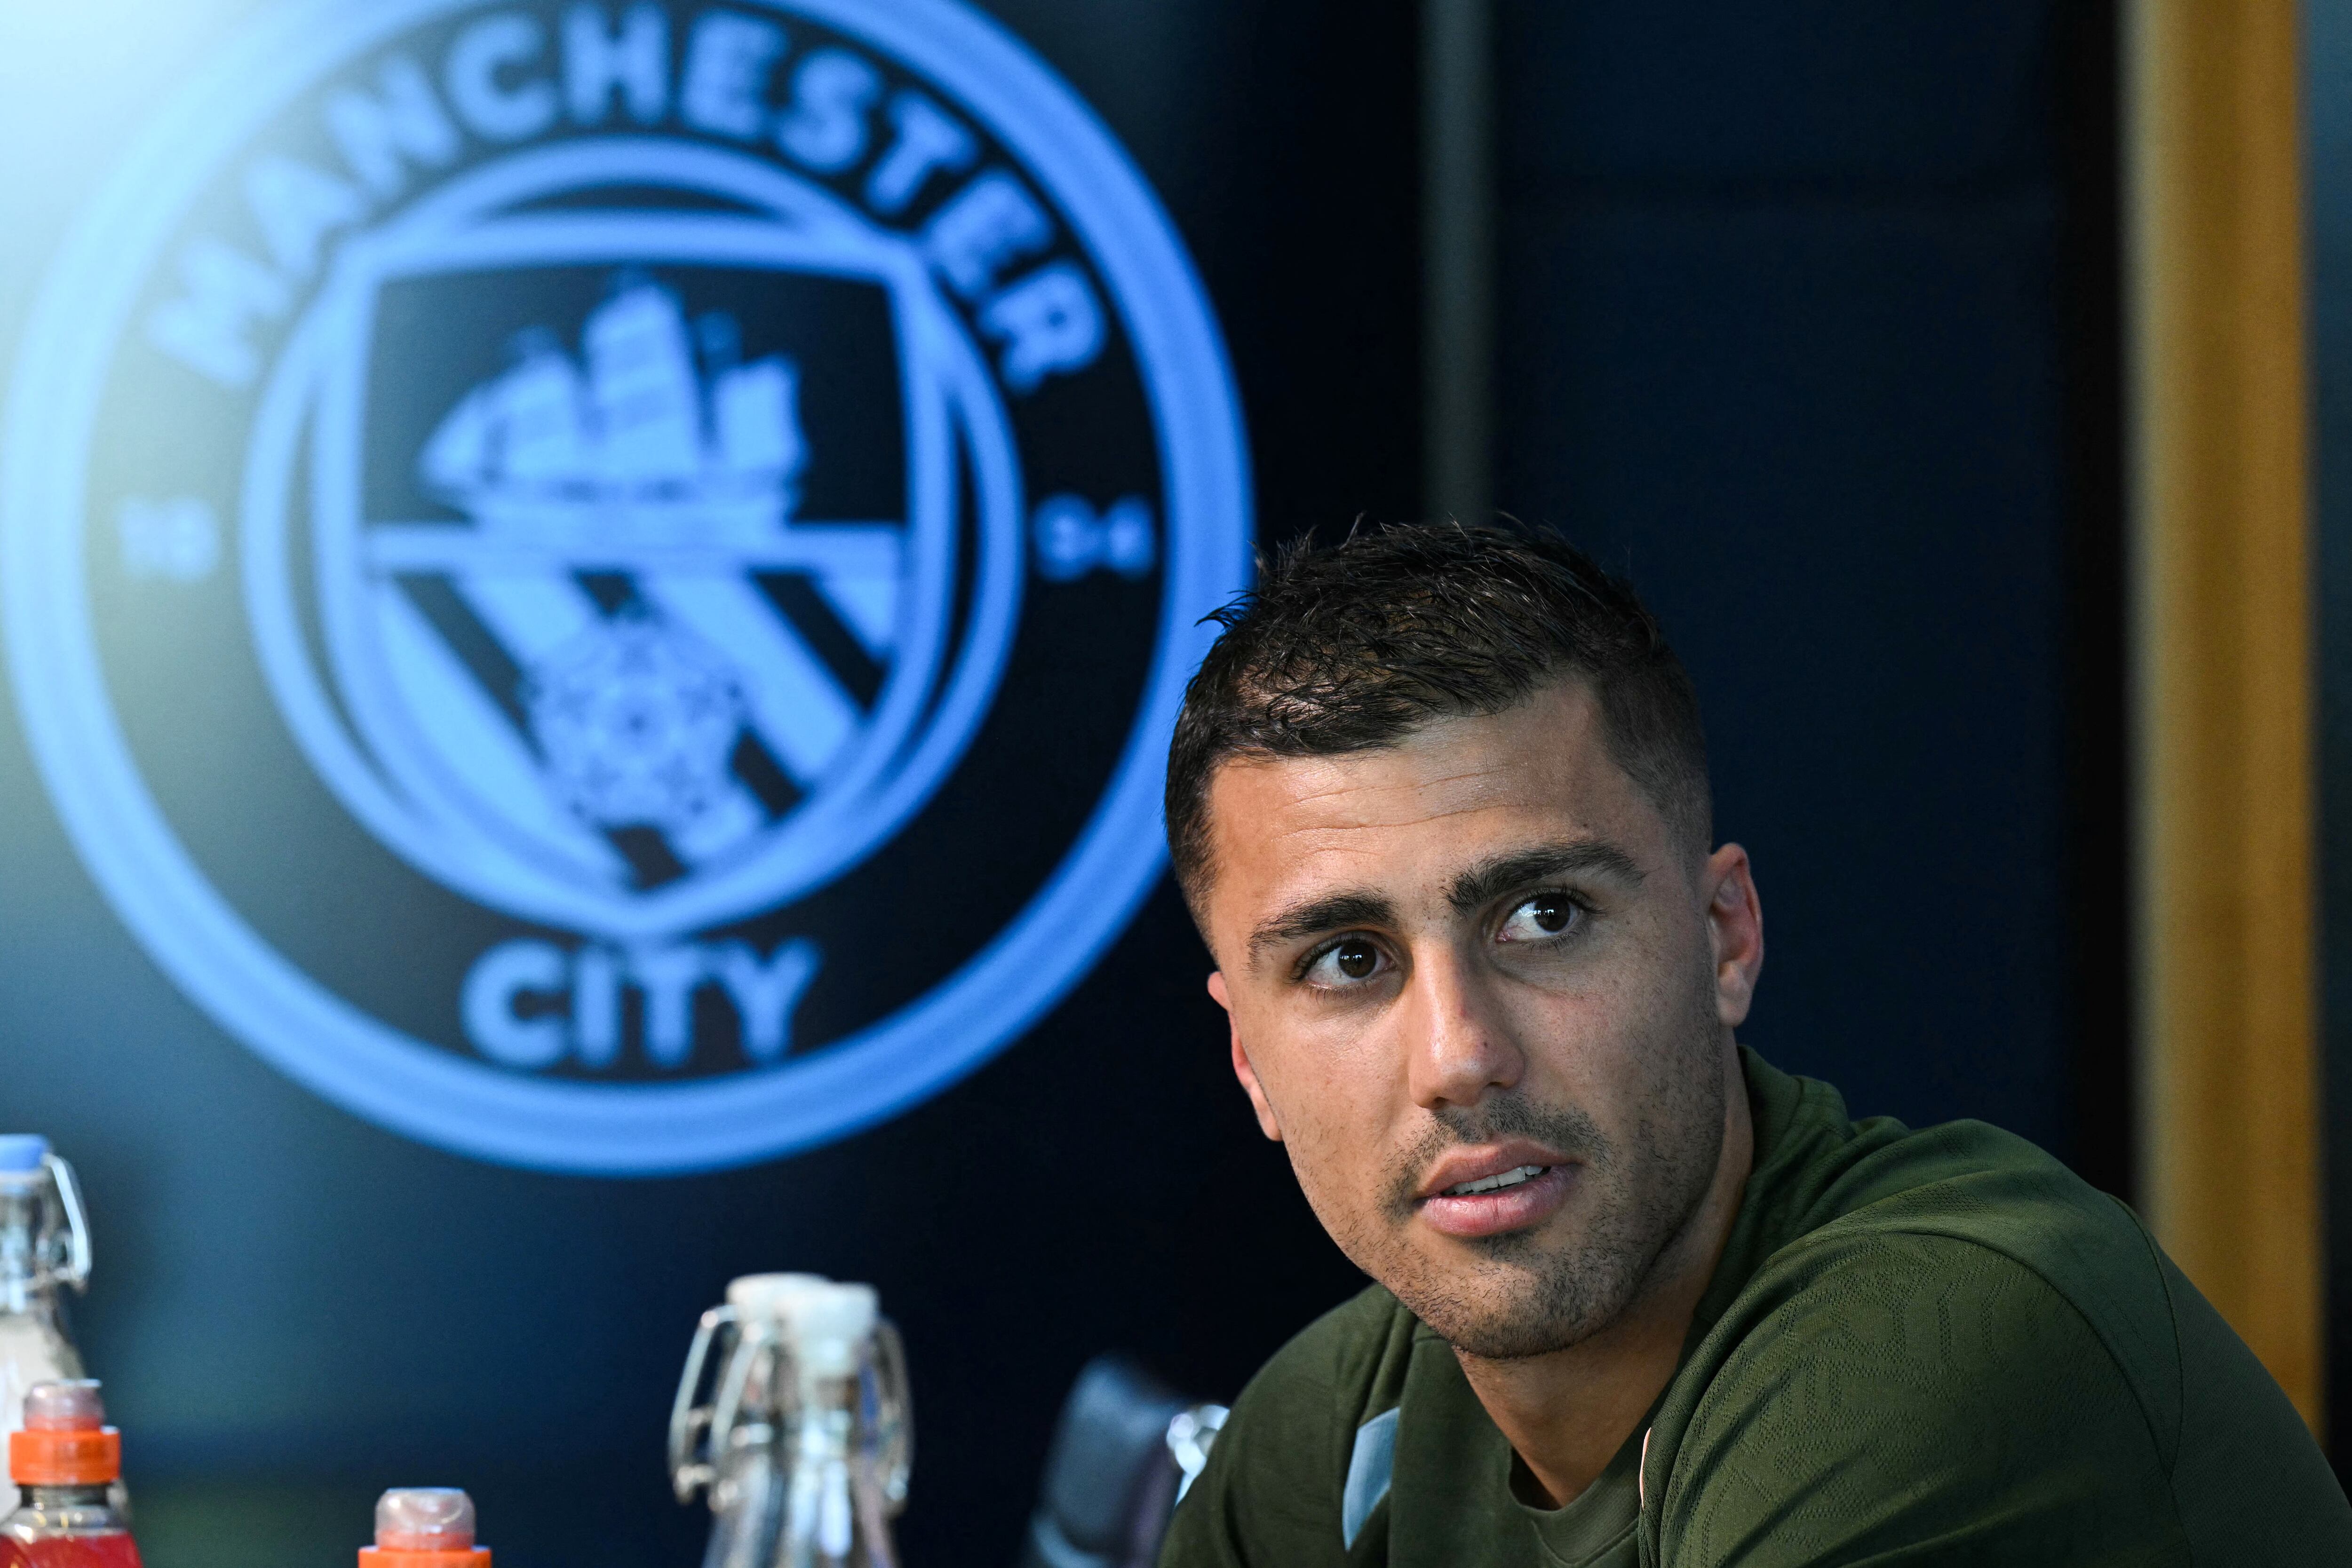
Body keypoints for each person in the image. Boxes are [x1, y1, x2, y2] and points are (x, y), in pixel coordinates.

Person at [1155, 523, 2352, 1567]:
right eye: (1348, 960)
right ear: (1249, 1059)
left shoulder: (1936, 1341)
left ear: (1726, 936)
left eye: (1545, 916)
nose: (1459, 1057)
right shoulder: (1336, 1429)